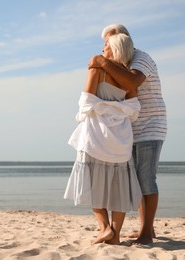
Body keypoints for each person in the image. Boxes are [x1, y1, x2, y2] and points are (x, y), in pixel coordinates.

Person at [88, 24, 167, 245]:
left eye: (108, 41)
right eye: (104, 43)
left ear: (123, 39)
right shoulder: (119, 63)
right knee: (134, 179)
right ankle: (146, 230)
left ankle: (146, 233)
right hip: (129, 129)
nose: (105, 46)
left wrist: (102, 62)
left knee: (146, 179)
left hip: (150, 126)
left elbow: (132, 82)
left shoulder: (140, 58)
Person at [64, 33, 142, 245]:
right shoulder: (128, 76)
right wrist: (116, 108)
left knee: (90, 180)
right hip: (120, 137)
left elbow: (86, 101)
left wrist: (101, 108)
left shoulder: (97, 69)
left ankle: (105, 228)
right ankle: (115, 236)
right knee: (120, 186)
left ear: (115, 49)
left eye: (106, 46)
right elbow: (134, 109)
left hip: (96, 134)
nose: (102, 50)